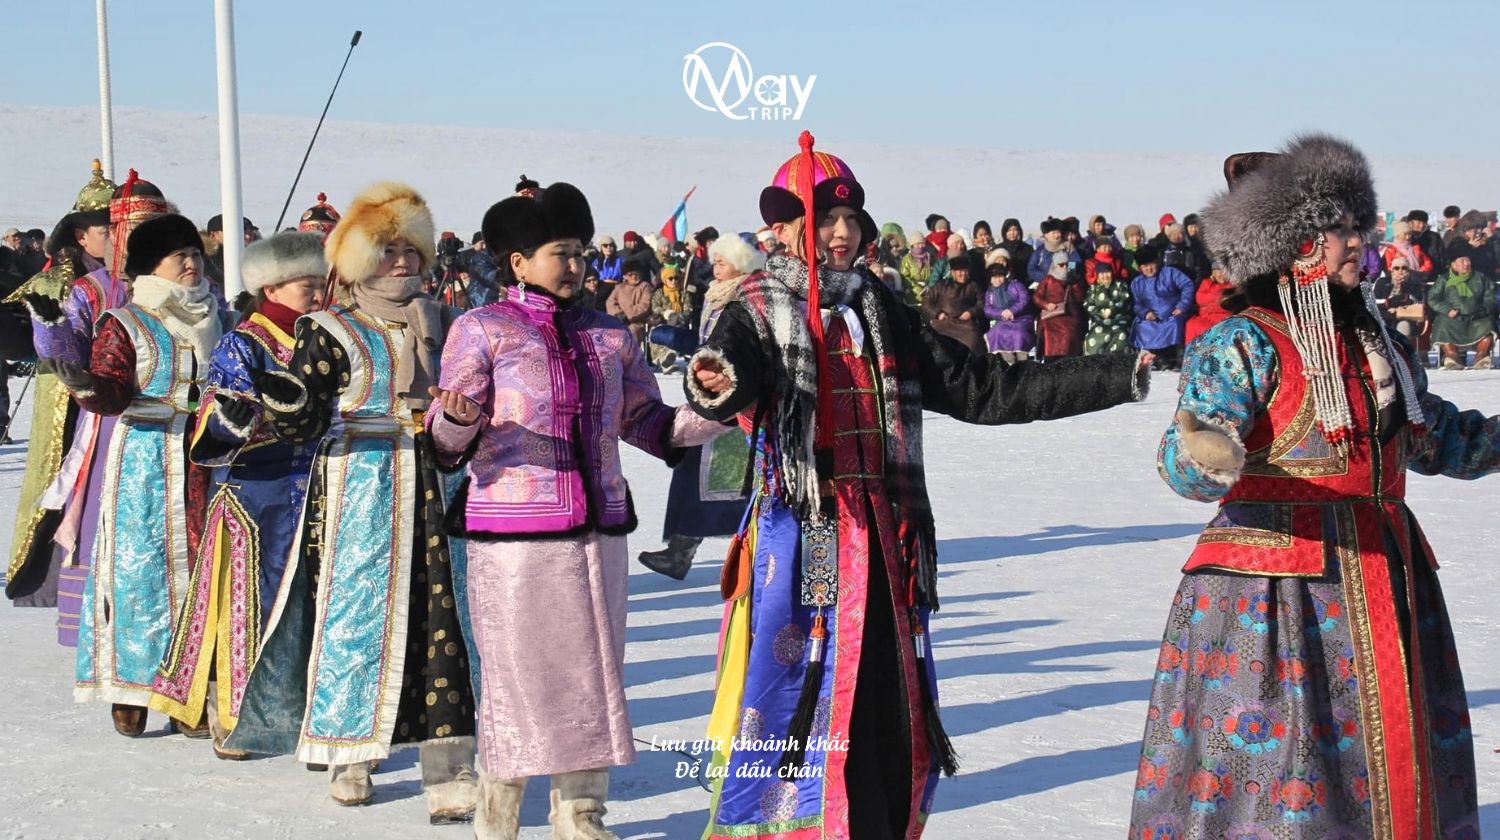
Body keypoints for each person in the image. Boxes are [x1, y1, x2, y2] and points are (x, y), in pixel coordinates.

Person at [683, 134, 1150, 839]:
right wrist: (716, 380)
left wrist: (1113, 376)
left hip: (884, 535)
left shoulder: (881, 308)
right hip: (804, 535)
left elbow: (981, 387)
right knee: (800, 697)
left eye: (851, 219)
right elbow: (730, 372)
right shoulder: (753, 306)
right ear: (784, 228)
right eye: (825, 219)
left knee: (881, 702)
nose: (842, 233)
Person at [1133, 134, 1500, 840]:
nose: (1358, 241)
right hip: (1277, 596)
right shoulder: (1244, 341)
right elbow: (1187, 453)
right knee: (1281, 772)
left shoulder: (1377, 343)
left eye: (1359, 226)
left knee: (1388, 769)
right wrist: (1205, 452)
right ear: (1295, 244)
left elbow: (1434, 438)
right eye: (1339, 228)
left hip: (1385, 575)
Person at [424, 181, 726, 839]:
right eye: (560, 253)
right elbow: (445, 442)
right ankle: (498, 814)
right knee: (517, 677)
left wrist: (714, 407)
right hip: (514, 537)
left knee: (593, 673)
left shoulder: (609, 337)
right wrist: (456, 419)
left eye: (580, 253)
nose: (574, 265)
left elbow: (648, 422)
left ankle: (581, 812)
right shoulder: (483, 329)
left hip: (599, 534)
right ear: (519, 262)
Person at [235, 182, 478, 820]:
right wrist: (284, 402)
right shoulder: (328, 329)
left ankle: (450, 765)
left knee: (447, 619)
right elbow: (304, 420)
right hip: (360, 486)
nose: (402, 261)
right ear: (359, 258)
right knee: (355, 613)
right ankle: (350, 752)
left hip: (439, 480)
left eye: (411, 250)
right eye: (388, 250)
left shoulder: (447, 324)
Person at [147, 233, 327, 761]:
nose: (319, 295)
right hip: (255, 492)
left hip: (318, 484)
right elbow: (214, 426)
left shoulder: (328, 338)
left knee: (312, 603)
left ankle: (308, 712)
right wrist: (238, 418)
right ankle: (233, 713)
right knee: (246, 605)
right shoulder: (243, 344)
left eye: (322, 284)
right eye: (307, 286)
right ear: (271, 288)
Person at [48, 213, 227, 738]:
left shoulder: (221, 316)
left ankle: (187, 693)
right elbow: (112, 391)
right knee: (139, 572)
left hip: (205, 455)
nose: (191, 263)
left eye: (194, 254)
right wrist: (86, 385)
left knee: (201, 571)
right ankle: (131, 686)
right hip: (146, 459)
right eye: (179, 256)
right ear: (153, 267)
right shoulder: (126, 322)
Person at [21, 169, 169, 646]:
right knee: (108, 517)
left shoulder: (194, 286)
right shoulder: (94, 289)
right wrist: (51, 329)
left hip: (179, 425)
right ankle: (104, 626)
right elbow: (70, 357)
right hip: (112, 424)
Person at [4, 161, 115, 608]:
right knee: (65, 482)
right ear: (81, 236)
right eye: (105, 230)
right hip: (67, 396)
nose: (115, 237)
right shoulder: (57, 281)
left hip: (116, 395)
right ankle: (54, 580)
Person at [639, 234, 764, 581]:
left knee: (738, 489)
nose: (715, 267)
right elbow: (705, 345)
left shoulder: (750, 299)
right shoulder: (716, 295)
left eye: (722, 261)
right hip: (709, 404)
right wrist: (674, 337)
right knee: (694, 474)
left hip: (737, 409)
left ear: (740, 263)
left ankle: (755, 556)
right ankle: (680, 552)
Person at [1129, 244, 1194, 370]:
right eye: (1145, 266)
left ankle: (1180, 356)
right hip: (1151, 316)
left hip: (1173, 313)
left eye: (1151, 264)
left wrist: (1182, 305)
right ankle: (1158, 357)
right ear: (1140, 268)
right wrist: (1145, 313)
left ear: (1157, 262)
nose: (1149, 269)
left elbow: (1187, 285)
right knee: (1142, 327)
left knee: (1175, 324)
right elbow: (1136, 304)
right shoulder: (1137, 283)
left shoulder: (1170, 273)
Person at [1427, 253, 1494, 369]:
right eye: (1462, 261)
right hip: (1453, 319)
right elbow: (1432, 298)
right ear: (1453, 265)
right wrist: (1447, 309)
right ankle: (1452, 357)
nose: (1466, 264)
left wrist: (1483, 310)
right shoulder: (1444, 279)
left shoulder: (1481, 278)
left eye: (1468, 260)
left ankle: (1481, 356)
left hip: (1476, 318)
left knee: (1488, 324)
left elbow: (1491, 297)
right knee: (1442, 324)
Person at [921, 253, 985, 352]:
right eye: (960, 271)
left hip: (965, 324)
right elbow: (926, 302)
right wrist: (938, 313)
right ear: (953, 272)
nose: (963, 274)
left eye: (966, 270)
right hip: (942, 323)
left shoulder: (973, 286)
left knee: (973, 339)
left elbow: (982, 303)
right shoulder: (941, 286)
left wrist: (971, 312)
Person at [1033, 250, 1086, 359]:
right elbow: (1036, 297)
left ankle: (1069, 358)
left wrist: (1074, 284)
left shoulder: (1074, 278)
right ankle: (1050, 358)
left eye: (1067, 264)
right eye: (1061, 265)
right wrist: (1046, 305)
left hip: (1070, 314)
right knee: (1048, 331)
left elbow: (1080, 297)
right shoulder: (1048, 279)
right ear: (1055, 265)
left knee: (1070, 332)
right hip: (1051, 314)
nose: (1065, 267)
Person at [1373, 256, 1428, 339]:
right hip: (1384, 315)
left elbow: (1417, 303)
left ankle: (1401, 347)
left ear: (1408, 271)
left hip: (1405, 316)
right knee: (1378, 326)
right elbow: (1374, 301)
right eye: (1396, 268)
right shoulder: (1382, 282)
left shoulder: (1415, 284)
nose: (1400, 271)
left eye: (1404, 268)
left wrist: (1404, 285)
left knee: (1403, 327)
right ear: (1392, 270)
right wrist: (1389, 301)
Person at [1083, 264, 1132, 354]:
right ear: (1098, 275)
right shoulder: (1093, 288)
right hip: (1100, 321)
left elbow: (1125, 299)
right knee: (1093, 336)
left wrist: (1111, 310)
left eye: (1107, 272)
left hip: (1119, 319)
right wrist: (1101, 313)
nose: (1105, 276)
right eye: (1102, 273)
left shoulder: (1120, 284)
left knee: (1121, 333)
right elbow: (1087, 305)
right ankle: (1095, 360)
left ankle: (1118, 360)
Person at [1184, 260, 1234, 346]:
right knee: (1191, 324)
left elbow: (1226, 301)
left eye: (1225, 272)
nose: (1222, 275)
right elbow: (1200, 299)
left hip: (1224, 318)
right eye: (1219, 271)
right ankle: (1191, 351)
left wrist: (1210, 300)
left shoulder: (1232, 285)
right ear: (1213, 273)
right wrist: (1217, 297)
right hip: (1206, 317)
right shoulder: (1206, 283)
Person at [605, 258, 653, 345]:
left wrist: (627, 316)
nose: (634, 277)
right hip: (619, 320)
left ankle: (631, 353)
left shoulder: (645, 286)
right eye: (630, 275)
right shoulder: (619, 287)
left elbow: (645, 305)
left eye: (636, 274)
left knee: (631, 330)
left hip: (637, 322)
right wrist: (618, 315)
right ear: (625, 276)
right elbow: (610, 302)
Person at [898, 232, 935, 305]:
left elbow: (935, 273)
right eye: (917, 244)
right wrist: (916, 288)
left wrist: (929, 285)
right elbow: (904, 277)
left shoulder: (930, 257)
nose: (920, 246)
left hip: (929, 290)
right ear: (912, 245)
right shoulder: (907, 259)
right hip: (912, 291)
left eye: (922, 243)